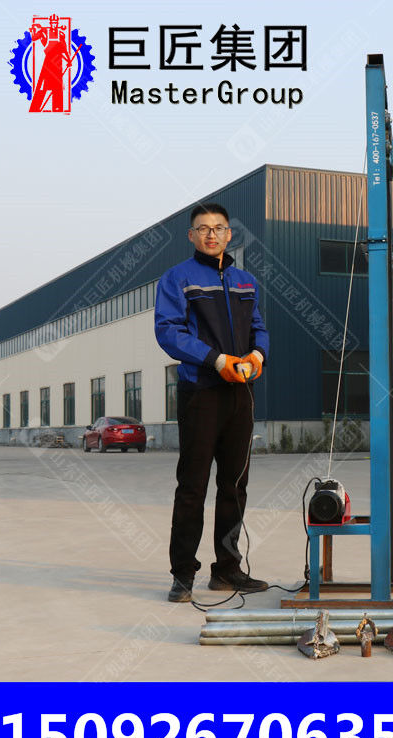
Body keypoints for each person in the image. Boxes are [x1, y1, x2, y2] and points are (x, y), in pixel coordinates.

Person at [154, 202, 269, 602]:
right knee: (193, 485)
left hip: (240, 393)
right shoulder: (177, 279)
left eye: (218, 228)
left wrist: (257, 356)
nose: (211, 234)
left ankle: (227, 570)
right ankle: (183, 574)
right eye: (202, 228)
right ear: (191, 235)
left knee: (235, 485)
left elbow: (259, 328)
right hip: (200, 392)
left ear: (229, 234)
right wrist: (215, 360)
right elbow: (168, 332)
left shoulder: (245, 281)